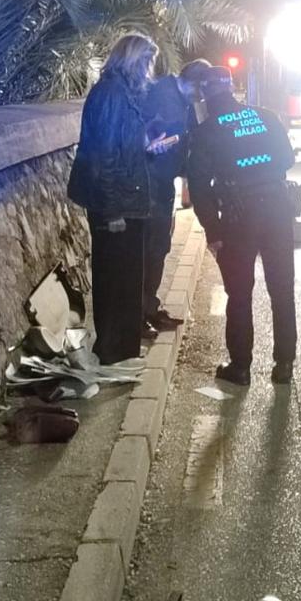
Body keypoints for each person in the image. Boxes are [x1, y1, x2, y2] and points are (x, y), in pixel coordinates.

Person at [187, 66, 298, 386]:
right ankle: (284, 365)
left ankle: (241, 367)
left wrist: (213, 230)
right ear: (233, 87)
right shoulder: (266, 116)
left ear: (206, 94)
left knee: (239, 293)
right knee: (282, 288)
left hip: (239, 217)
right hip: (277, 210)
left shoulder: (207, 130)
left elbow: (199, 187)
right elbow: (287, 160)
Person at [68, 34, 174, 364]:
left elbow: (123, 148)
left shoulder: (123, 93)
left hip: (127, 200)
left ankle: (123, 350)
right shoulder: (111, 94)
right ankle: (114, 350)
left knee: (127, 278)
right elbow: (102, 157)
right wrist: (113, 210)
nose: (148, 69)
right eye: (144, 61)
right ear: (129, 60)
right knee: (115, 279)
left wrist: (149, 148)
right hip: (115, 204)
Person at [139, 60, 209, 336]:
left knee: (159, 250)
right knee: (147, 253)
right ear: (191, 82)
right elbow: (149, 137)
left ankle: (150, 309)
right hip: (149, 186)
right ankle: (138, 315)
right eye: (200, 91)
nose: (200, 97)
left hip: (163, 185)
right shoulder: (161, 95)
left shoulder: (183, 100)